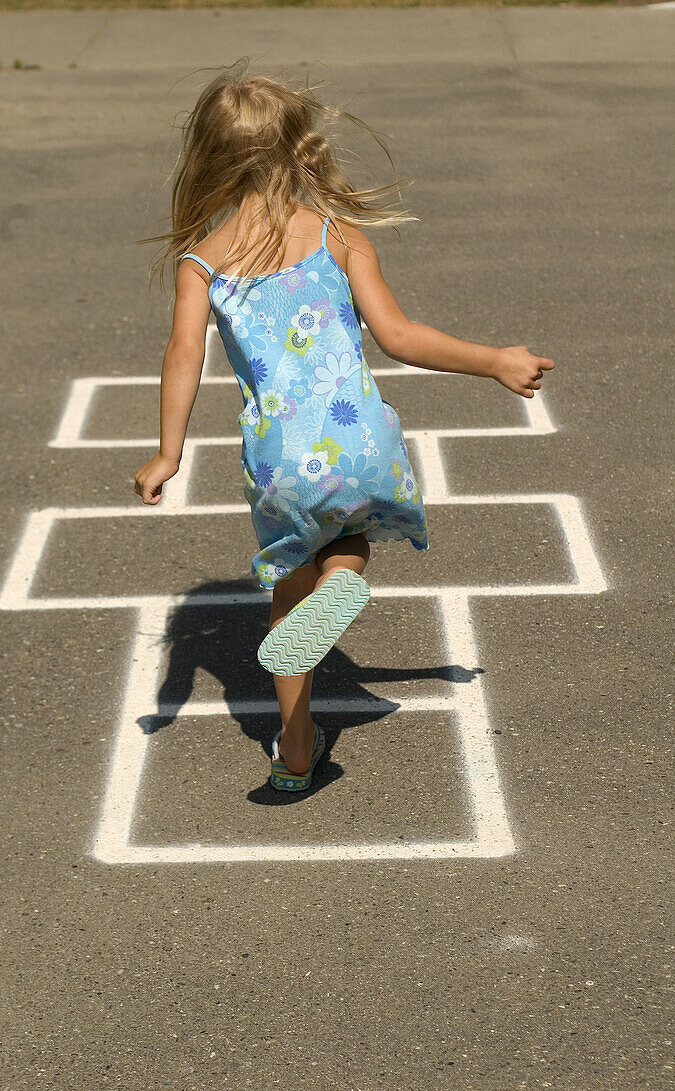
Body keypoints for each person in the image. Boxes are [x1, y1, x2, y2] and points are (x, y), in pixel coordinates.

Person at [133, 65, 554, 792]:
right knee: (350, 536)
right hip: (357, 440)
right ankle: (344, 581)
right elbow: (397, 335)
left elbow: (182, 355)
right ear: (299, 148)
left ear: (207, 156)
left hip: (279, 462)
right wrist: (494, 362)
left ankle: (295, 751)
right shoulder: (336, 235)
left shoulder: (202, 262)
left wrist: (168, 452)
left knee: (286, 595)